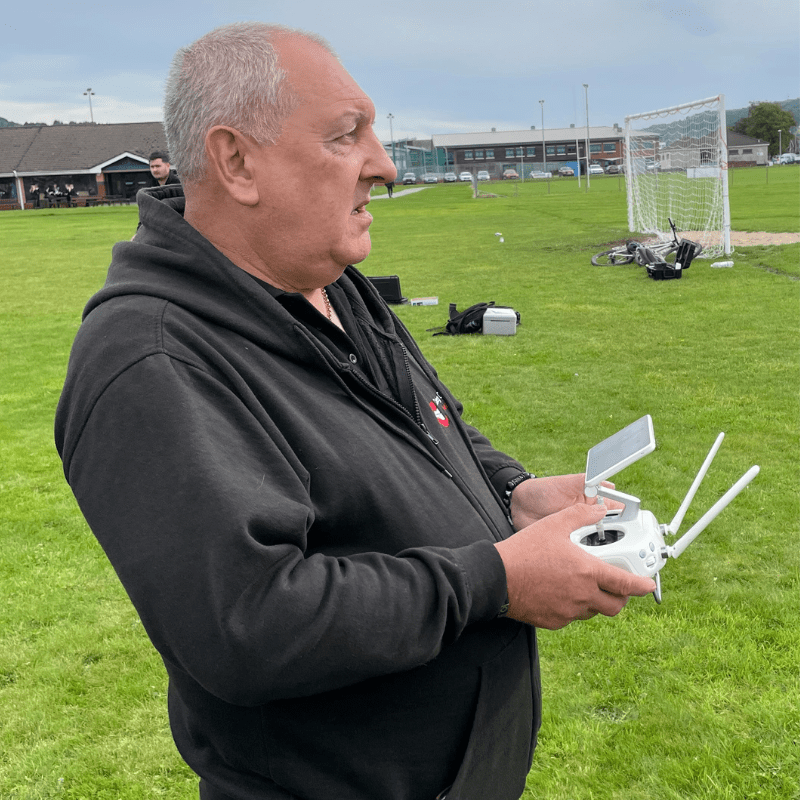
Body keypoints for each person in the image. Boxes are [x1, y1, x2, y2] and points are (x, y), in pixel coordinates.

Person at [55, 22, 655, 800]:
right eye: (348, 136)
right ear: (237, 161)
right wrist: (493, 580)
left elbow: (425, 415)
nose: (386, 166)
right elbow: (248, 625)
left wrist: (510, 491)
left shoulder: (326, 280)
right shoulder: (153, 361)